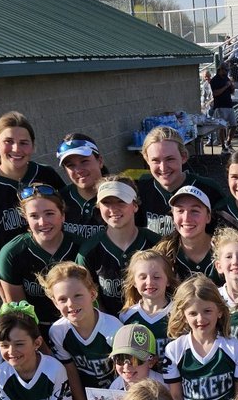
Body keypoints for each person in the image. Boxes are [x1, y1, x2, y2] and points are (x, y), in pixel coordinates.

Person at [0, 112, 66, 298]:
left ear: (33, 145)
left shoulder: (46, 175)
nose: (16, 148)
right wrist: (3, 291)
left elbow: (65, 217)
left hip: (57, 277)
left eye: (24, 142)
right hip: (13, 280)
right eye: (8, 141)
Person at [44, 262, 122, 400]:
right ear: (54, 302)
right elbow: (71, 374)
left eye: (78, 295)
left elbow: (127, 375)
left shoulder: (113, 328)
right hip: (87, 397)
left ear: (92, 293)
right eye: (63, 299)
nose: (71, 304)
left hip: (116, 395)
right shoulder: (58, 331)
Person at [0, 184, 83, 334]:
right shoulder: (11, 253)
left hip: (79, 325)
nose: (42, 222)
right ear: (25, 218)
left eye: (49, 213)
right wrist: (43, 350)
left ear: (62, 215)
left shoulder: (81, 247)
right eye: (34, 216)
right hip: (36, 330)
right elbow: (20, 314)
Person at [163, 274, 238, 400]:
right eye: (193, 313)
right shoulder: (174, 350)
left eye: (207, 311)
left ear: (219, 311)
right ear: (183, 316)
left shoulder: (235, 348)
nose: (200, 319)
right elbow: (176, 397)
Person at [78, 177, 160, 315]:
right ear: (99, 206)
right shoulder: (89, 251)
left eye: (121, 202)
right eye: (106, 203)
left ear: (135, 205)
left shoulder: (156, 244)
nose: (113, 209)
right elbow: (85, 296)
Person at [136, 126, 225, 236]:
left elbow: (224, 236)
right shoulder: (141, 190)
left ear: (183, 157)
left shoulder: (209, 189)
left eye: (170, 159)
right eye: (156, 160)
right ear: (147, 160)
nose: (163, 167)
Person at [119, 247, 178, 360]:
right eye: (143, 277)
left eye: (156, 277)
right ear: (134, 282)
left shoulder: (179, 313)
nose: (149, 282)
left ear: (168, 280)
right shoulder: (126, 317)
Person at [56, 134, 109, 242]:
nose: (78, 170)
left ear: (100, 161)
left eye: (84, 161)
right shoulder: (60, 200)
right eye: (70, 165)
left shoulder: (119, 195)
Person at [161, 185, 218, 282]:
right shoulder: (164, 255)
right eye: (180, 211)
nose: (186, 218)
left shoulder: (225, 251)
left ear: (208, 217)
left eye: (195, 211)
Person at [209, 63, 236, 153]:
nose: (226, 72)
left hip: (229, 105)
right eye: (225, 70)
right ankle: (223, 146)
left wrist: (232, 86)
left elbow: (232, 92)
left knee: (233, 125)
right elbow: (215, 93)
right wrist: (226, 86)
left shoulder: (226, 78)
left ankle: (228, 142)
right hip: (220, 106)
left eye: (227, 70)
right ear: (220, 70)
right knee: (222, 127)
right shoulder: (214, 80)